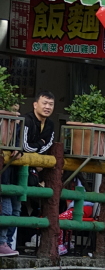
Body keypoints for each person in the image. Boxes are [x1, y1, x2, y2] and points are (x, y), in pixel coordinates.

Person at [0, 92, 54, 257]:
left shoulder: (50, 125)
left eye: (51, 104)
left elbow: (49, 146)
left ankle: (7, 244)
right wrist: (39, 144)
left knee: (16, 210)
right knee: (7, 209)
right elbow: (24, 145)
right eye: (44, 103)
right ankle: (1, 243)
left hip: (21, 174)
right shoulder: (26, 120)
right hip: (9, 171)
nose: (47, 107)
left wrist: (35, 147)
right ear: (35, 104)